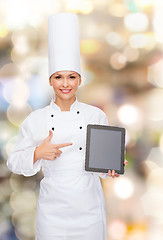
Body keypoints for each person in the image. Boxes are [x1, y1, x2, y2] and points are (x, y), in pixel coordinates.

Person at [7, 13, 125, 240]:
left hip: (89, 211)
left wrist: (112, 168)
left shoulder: (95, 115)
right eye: (59, 77)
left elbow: (101, 165)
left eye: (71, 77)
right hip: (53, 214)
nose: (65, 84)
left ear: (79, 80)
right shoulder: (37, 119)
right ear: (51, 80)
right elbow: (14, 161)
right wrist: (38, 153)